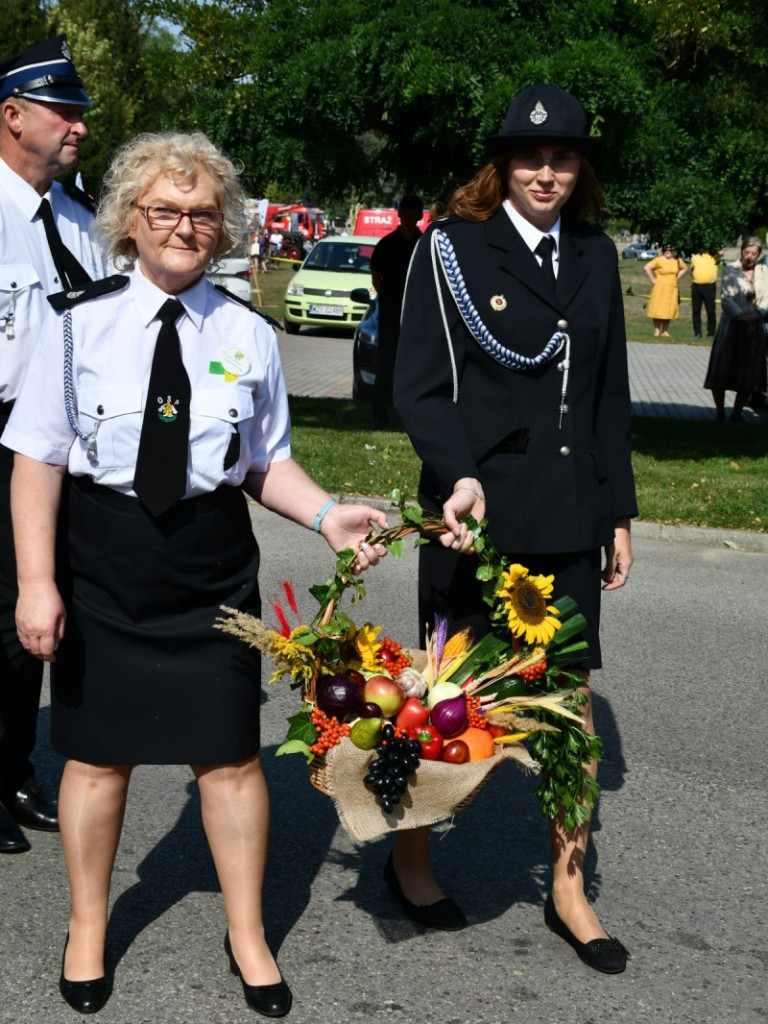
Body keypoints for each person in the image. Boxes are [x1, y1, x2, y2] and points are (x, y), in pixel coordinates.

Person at [2, 130, 387, 1016]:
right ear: (129, 222)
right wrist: (35, 583)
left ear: (223, 230)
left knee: (229, 761)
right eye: (164, 211)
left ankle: (248, 933)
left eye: (202, 214)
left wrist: (328, 514)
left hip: (212, 570)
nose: (183, 227)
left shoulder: (249, 335)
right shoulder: (76, 325)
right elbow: (37, 462)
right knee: (95, 762)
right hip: (103, 564)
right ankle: (89, 925)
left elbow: (263, 462)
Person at [393, 83, 636, 974]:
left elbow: (607, 393)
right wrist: (457, 474)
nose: (546, 173)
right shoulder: (452, 251)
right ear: (502, 165)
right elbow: (419, 386)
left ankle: (568, 887)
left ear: (582, 168)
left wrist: (618, 511)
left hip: (569, 514)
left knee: (566, 706)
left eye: (563, 158)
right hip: (475, 515)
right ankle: (411, 856)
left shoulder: (600, 255)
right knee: (447, 700)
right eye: (530, 158)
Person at [0, 34, 105, 854]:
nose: (77, 126)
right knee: (5, 616)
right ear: (12, 116)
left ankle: (13, 767)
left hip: (66, 443)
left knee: (42, 612)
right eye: (63, 111)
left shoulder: (77, 216)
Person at [369, 195, 423, 428]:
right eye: (406, 213)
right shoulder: (386, 244)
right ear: (399, 215)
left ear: (420, 216)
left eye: (414, 213)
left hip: (417, 317)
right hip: (390, 315)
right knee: (386, 364)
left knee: (415, 367)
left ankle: (411, 414)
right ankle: (380, 414)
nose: (410, 218)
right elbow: (376, 279)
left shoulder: (424, 244)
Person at [703, 236, 768, 422]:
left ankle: (737, 412)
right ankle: (720, 411)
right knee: (721, 369)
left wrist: (756, 315)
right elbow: (725, 298)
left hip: (754, 327)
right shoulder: (730, 269)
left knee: (748, 372)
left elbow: (767, 299)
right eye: (747, 252)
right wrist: (740, 316)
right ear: (741, 251)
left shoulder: (764, 271)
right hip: (731, 325)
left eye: (754, 254)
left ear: (759, 254)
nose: (750, 257)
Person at [644, 244, 686, 336]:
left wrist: (677, 277)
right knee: (658, 308)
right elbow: (647, 268)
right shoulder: (658, 260)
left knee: (668, 308)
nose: (667, 251)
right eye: (665, 249)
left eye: (670, 250)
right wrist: (653, 280)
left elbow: (684, 268)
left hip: (672, 287)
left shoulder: (677, 260)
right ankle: (657, 330)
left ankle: (665, 331)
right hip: (660, 287)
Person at [689, 247, 718, 339]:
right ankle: (697, 333)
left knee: (710, 311)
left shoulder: (715, 257)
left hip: (709, 287)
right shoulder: (695, 257)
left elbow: (721, 252)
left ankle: (711, 333)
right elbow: (692, 270)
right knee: (696, 310)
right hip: (696, 286)